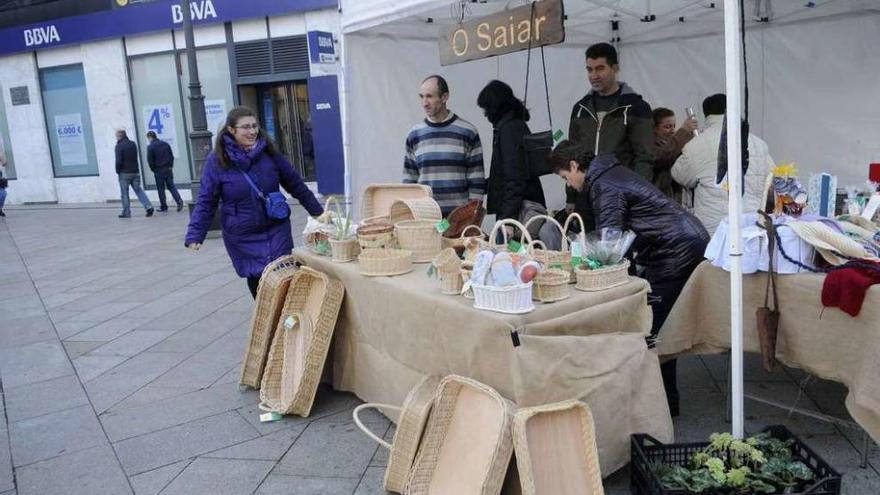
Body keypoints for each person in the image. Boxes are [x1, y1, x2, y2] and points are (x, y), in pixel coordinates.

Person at [548, 141, 710, 417]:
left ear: (575, 166)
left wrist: (585, 260)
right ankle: (664, 401)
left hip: (675, 248)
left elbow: (611, 241)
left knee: (652, 325)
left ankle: (653, 405)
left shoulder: (604, 184)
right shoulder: (611, 173)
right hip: (681, 241)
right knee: (658, 324)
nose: (570, 185)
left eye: (566, 178)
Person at [185, 106, 323, 298]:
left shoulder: (269, 153)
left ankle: (285, 322)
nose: (252, 131)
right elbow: (207, 200)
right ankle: (266, 320)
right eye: (245, 127)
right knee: (258, 280)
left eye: (254, 126)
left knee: (283, 275)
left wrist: (318, 213)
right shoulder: (217, 160)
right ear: (231, 130)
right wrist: (195, 234)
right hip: (242, 233)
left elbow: (295, 184)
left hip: (276, 226)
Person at [566, 42, 655, 230]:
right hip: (586, 198)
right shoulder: (580, 109)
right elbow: (572, 156)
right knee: (587, 254)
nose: (593, 76)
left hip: (620, 197)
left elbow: (645, 157)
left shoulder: (637, 107)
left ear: (615, 68)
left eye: (600, 68)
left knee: (618, 254)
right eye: (589, 69)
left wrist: (637, 195)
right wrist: (571, 196)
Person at [671, 94, 775, 235]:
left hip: (715, 230)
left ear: (706, 115)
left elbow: (679, 175)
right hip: (753, 224)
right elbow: (772, 179)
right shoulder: (758, 143)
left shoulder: (696, 145)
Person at [477, 80, 560, 249]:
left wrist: (508, 220)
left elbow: (514, 177)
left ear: (495, 107)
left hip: (517, 211)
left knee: (514, 258)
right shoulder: (516, 125)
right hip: (520, 205)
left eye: (486, 109)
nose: (485, 114)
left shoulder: (509, 130)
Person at [403, 74, 486, 216]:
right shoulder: (415, 135)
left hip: (459, 221)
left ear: (444, 97)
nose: (424, 103)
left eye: (429, 96)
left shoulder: (467, 132)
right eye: (421, 97)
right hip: (425, 219)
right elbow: (409, 181)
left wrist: (471, 216)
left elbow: (477, 181)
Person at [652, 107, 698, 202]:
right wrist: (684, 131)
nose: (672, 130)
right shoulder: (649, 144)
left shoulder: (673, 143)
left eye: (674, 126)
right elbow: (664, 155)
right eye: (667, 127)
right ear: (655, 128)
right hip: (658, 201)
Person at [115, 129, 154, 218]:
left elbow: (118, 161)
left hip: (124, 173)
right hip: (135, 172)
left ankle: (126, 212)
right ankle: (149, 206)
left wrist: (118, 171)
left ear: (120, 136)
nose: (116, 138)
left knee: (124, 193)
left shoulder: (119, 146)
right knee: (138, 190)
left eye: (116, 136)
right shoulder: (133, 144)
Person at [146, 131, 183, 212]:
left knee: (161, 189)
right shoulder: (165, 144)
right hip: (168, 169)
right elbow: (171, 156)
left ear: (150, 137)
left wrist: (153, 169)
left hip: (158, 170)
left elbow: (150, 161)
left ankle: (164, 206)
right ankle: (179, 201)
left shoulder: (150, 147)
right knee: (171, 186)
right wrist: (170, 166)